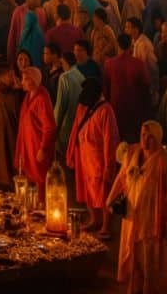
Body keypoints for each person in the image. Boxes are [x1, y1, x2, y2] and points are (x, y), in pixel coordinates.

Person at [106, 120, 167, 294]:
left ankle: (150, 288)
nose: (146, 140)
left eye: (150, 137)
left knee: (148, 254)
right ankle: (134, 286)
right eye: (143, 135)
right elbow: (121, 178)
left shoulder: (165, 161)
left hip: (151, 216)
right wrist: (110, 200)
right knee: (134, 252)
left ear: (158, 139)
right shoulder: (131, 153)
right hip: (132, 214)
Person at [66, 77, 120, 236]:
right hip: (84, 156)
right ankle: (94, 219)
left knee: (103, 192)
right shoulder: (83, 106)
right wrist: (71, 153)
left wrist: (109, 165)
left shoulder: (106, 110)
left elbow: (110, 139)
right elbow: (75, 130)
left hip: (98, 159)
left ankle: (105, 226)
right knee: (87, 190)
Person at [15, 66, 56, 193]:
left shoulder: (42, 98)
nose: (22, 82)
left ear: (33, 81)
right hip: (27, 145)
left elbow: (49, 126)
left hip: (36, 146)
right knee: (28, 176)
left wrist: (43, 148)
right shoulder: (28, 96)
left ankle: (41, 207)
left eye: (25, 79)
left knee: (40, 178)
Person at [104, 32, 151, 141]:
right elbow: (146, 88)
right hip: (135, 109)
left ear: (118, 45)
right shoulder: (138, 64)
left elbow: (106, 90)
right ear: (131, 46)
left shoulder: (109, 64)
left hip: (116, 108)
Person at [54, 51, 86, 156]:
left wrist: (54, 127)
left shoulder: (64, 77)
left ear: (65, 62)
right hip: (79, 126)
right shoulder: (81, 76)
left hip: (66, 129)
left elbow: (60, 106)